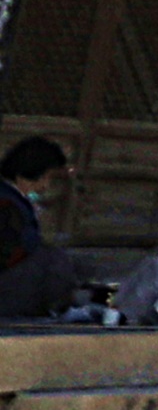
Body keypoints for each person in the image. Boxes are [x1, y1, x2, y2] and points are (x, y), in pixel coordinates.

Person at [0, 136, 94, 321]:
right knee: (53, 260)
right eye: (46, 177)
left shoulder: (12, 199)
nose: (45, 186)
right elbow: (12, 250)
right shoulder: (7, 203)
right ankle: (59, 308)